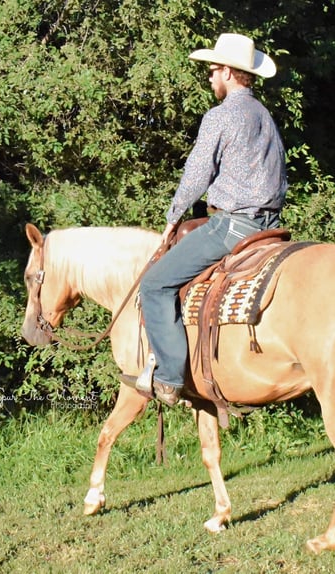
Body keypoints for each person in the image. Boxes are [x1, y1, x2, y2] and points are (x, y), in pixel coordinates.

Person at [138, 33, 288, 406]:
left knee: (155, 285)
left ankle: (171, 378)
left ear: (228, 73)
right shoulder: (265, 116)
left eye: (212, 71)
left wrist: (172, 218)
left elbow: (196, 174)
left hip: (233, 226)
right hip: (270, 227)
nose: (209, 78)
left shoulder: (220, 116)